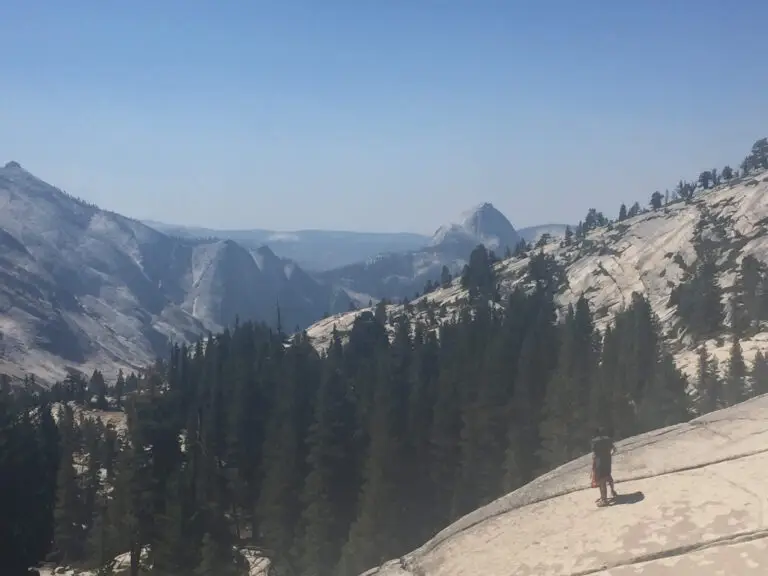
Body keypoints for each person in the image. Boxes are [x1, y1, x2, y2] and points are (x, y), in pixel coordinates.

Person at [591, 427, 617, 506]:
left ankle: (604, 500)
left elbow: (594, 454)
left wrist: (593, 464)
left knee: (601, 480)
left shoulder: (594, 441)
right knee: (608, 476)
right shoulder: (608, 439)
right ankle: (613, 491)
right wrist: (609, 455)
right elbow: (614, 449)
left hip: (600, 462)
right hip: (607, 460)